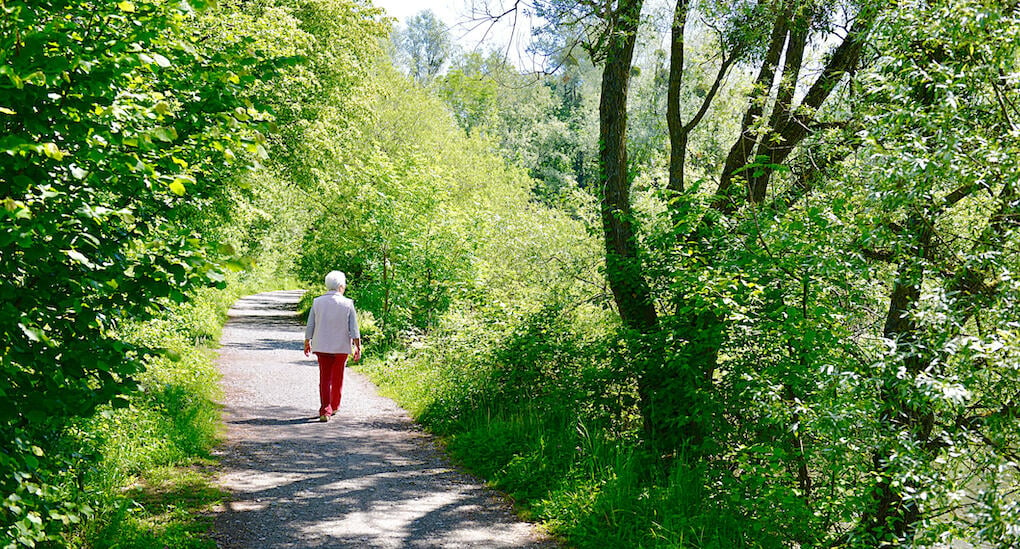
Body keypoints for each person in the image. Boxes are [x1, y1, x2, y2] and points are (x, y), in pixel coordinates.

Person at [303, 270, 361, 422]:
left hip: (322, 345)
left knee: (325, 378)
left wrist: (307, 341)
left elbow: (311, 324)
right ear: (341, 286)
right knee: (338, 377)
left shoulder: (317, 302)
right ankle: (334, 405)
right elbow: (354, 329)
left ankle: (325, 410)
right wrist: (358, 347)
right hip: (341, 347)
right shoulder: (348, 303)